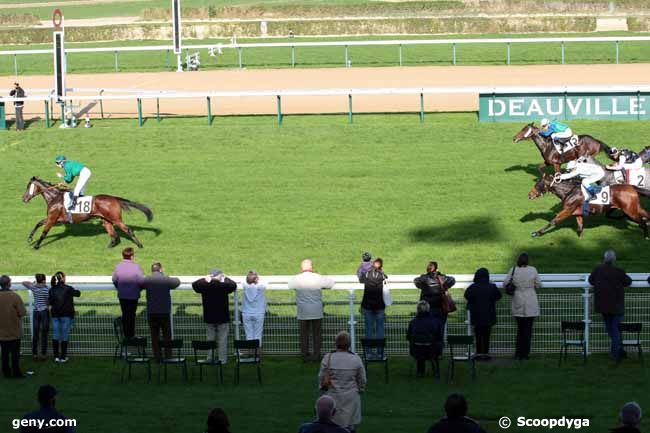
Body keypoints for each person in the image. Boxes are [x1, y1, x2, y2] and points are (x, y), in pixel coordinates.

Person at [588, 249, 632, 361]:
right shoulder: (619, 271)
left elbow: (590, 280)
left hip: (603, 305)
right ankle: (617, 353)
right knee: (615, 330)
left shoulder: (597, 269)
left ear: (604, 258)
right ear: (614, 259)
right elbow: (628, 282)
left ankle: (618, 351)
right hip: (617, 306)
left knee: (611, 330)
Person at [318, 331, 366, 432]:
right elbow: (362, 379)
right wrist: (360, 388)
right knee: (350, 424)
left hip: (332, 395)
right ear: (349, 344)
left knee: (332, 424)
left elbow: (321, 377)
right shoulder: (356, 359)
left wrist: (322, 389)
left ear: (336, 343)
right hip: (351, 396)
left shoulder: (328, 357)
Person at [288, 259, 335, 362]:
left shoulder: (297, 278)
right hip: (316, 310)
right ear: (312, 268)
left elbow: (289, 285)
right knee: (317, 334)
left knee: (304, 334)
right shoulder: (317, 277)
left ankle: (305, 355)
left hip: (303, 311)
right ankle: (316, 355)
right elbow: (331, 283)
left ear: (301, 268)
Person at [192, 269, 237, 364]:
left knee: (210, 339)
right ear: (220, 276)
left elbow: (195, 285)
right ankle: (222, 360)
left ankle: (210, 358)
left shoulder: (205, 286)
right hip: (222, 317)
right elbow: (233, 285)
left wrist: (205, 279)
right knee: (222, 340)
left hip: (209, 317)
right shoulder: (223, 285)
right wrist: (225, 278)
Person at [503, 253, 541, 360]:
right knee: (528, 330)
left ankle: (518, 353)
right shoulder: (533, 270)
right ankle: (525, 354)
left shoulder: (513, 269)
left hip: (518, 300)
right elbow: (539, 284)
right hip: (530, 301)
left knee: (520, 330)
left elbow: (505, 283)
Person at [142, 262, 180, 361]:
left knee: (155, 336)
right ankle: (168, 356)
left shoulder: (147, 280)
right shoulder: (165, 279)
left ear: (152, 270)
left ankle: (157, 357)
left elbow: (139, 284)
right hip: (164, 311)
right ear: (161, 269)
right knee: (167, 335)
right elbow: (177, 282)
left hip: (152, 312)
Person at [464, 268, 502, 361]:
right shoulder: (491, 287)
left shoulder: (473, 287)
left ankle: (479, 353)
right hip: (489, 316)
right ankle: (485, 353)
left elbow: (467, 295)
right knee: (486, 335)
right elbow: (498, 296)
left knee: (478, 335)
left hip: (476, 316)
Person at [112, 247, 144, 339]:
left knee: (126, 315)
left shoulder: (118, 266)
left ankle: (127, 336)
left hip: (122, 295)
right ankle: (130, 336)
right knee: (131, 315)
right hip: (133, 296)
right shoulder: (136, 266)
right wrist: (138, 289)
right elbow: (141, 281)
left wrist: (120, 288)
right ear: (132, 256)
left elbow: (114, 279)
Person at [359, 257, 387, 360]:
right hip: (379, 306)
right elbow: (386, 278)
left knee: (369, 330)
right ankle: (380, 353)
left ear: (372, 265)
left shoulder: (367, 274)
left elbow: (361, 279)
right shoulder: (382, 275)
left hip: (368, 305)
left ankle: (369, 353)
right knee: (380, 330)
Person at [49, 272, 80, 363]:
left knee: (55, 335)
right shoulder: (68, 288)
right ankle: (63, 357)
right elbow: (78, 294)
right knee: (64, 336)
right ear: (62, 279)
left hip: (55, 314)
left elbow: (50, 302)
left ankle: (56, 357)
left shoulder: (52, 289)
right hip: (66, 315)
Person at [406, 301, 443, 377]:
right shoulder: (435, 321)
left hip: (416, 351)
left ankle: (420, 372)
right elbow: (439, 337)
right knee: (435, 344)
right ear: (428, 309)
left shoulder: (413, 322)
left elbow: (408, 337)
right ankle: (436, 371)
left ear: (417, 310)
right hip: (432, 350)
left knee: (420, 345)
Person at [414, 261, 455, 327]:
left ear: (427, 269)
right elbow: (452, 280)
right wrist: (440, 274)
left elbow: (416, 281)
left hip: (427, 309)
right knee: (440, 329)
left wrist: (425, 275)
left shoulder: (423, 279)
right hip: (441, 308)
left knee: (428, 329)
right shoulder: (443, 278)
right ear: (437, 269)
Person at [0, 275, 26, 378]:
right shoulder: (15, 296)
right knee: (15, 354)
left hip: (1, 332)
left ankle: (6, 372)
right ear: (9, 284)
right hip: (14, 331)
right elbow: (22, 312)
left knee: (4, 354)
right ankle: (16, 372)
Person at [22, 274, 50, 361]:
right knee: (44, 334)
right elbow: (47, 301)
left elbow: (24, 282)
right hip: (44, 311)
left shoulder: (34, 287)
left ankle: (34, 354)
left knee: (35, 333)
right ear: (43, 280)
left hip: (36, 312)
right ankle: (43, 354)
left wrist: (34, 284)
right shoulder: (46, 289)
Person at [242, 270, 267, 346]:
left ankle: (251, 354)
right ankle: (257, 355)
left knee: (249, 335)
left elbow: (244, 282)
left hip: (246, 313)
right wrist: (259, 279)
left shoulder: (245, 286)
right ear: (256, 279)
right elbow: (265, 282)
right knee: (258, 335)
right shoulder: (261, 286)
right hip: (259, 313)